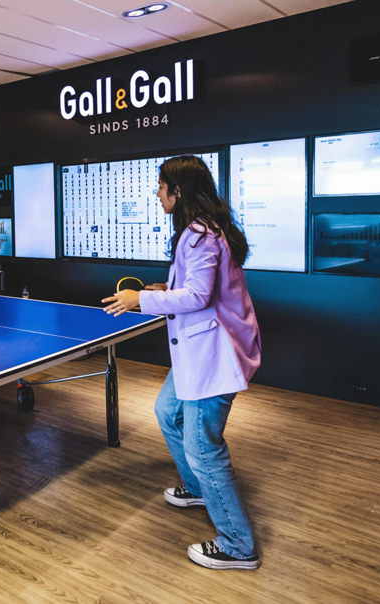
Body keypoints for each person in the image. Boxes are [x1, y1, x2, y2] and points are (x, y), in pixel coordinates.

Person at [102, 155, 262, 570]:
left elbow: (198, 296)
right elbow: (195, 286)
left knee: (203, 448)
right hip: (199, 353)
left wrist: (141, 299)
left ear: (179, 190)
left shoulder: (199, 234)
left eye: (161, 186)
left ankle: (238, 545)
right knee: (165, 410)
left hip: (214, 357)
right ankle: (198, 489)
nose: (156, 193)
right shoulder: (206, 229)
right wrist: (164, 287)